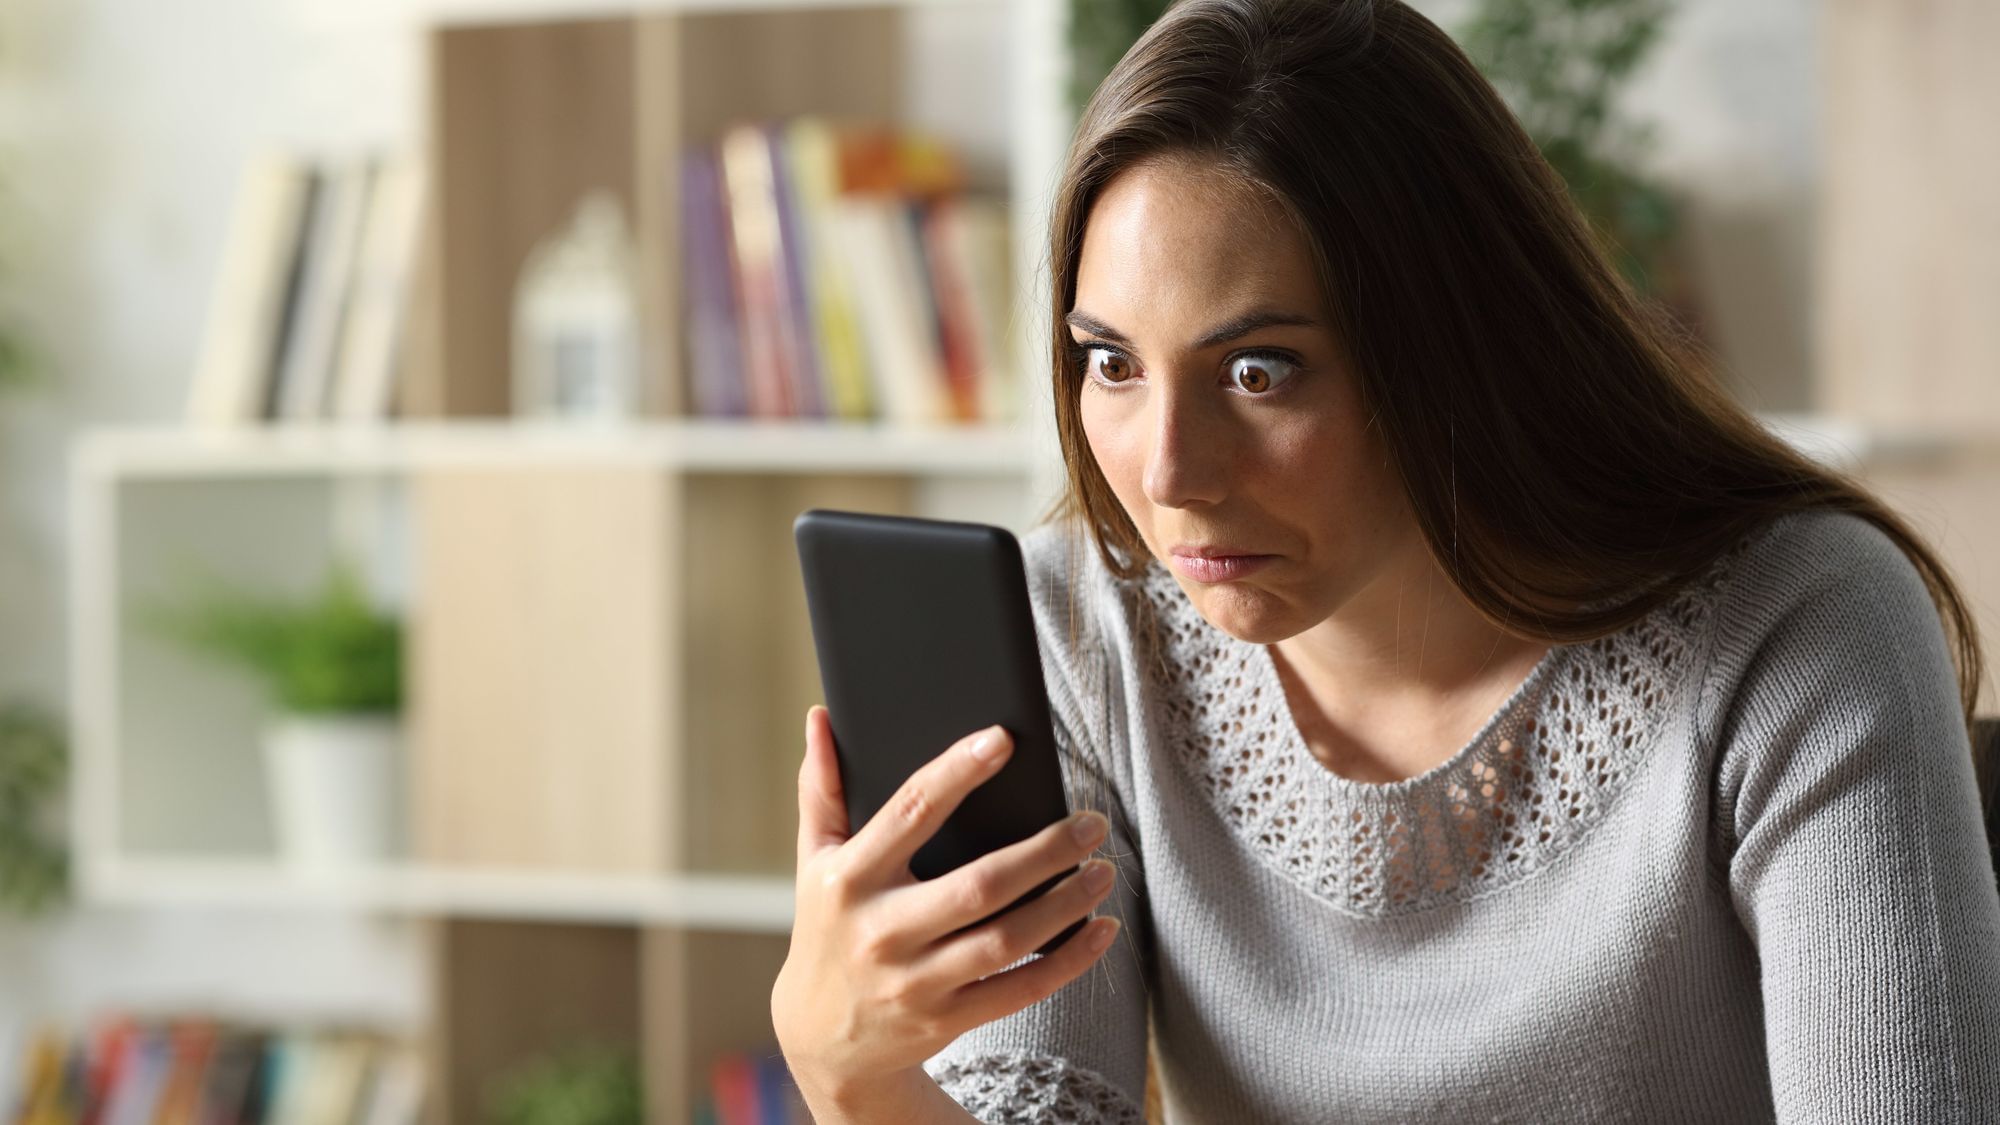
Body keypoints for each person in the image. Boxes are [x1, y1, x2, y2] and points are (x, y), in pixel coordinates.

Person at [770, 0, 2000, 1120]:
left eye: (1259, 372)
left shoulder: (1799, 628)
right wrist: (854, 1075)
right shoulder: (1082, 637)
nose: (1165, 475)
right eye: (1112, 363)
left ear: (1455, 353)